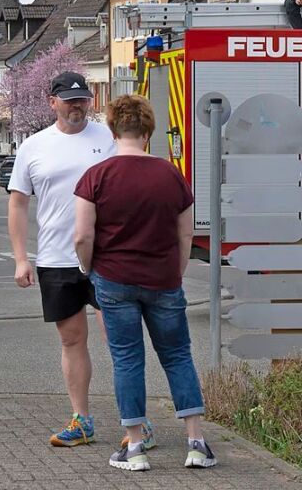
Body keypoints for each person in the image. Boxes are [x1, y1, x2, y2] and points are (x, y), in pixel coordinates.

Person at [7, 72, 154, 449]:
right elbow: (19, 203)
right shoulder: (34, 146)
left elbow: (139, 185)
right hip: (57, 259)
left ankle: (138, 423)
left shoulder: (109, 139)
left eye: (83, 99)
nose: (77, 106)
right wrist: (21, 258)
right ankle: (82, 420)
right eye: (69, 99)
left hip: (109, 255)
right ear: (51, 101)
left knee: (120, 339)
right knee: (71, 340)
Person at [73, 94, 215, 472]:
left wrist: (89, 269)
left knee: (127, 360)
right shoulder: (171, 175)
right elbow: (185, 235)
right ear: (148, 130)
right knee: (178, 356)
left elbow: (82, 236)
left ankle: (134, 448)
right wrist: (177, 270)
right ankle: (197, 443)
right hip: (164, 279)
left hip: (114, 279)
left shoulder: (96, 176)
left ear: (112, 128)